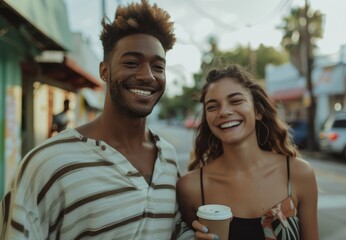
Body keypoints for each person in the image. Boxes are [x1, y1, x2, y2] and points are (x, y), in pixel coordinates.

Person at [0, 1, 195, 239]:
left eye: (158, 66)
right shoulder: (47, 164)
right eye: (131, 63)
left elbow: (172, 231)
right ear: (104, 71)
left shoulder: (169, 159)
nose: (147, 76)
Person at [177, 64, 319, 240]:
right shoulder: (191, 187)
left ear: (257, 111)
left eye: (236, 101)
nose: (224, 111)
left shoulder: (298, 174)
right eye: (212, 107)